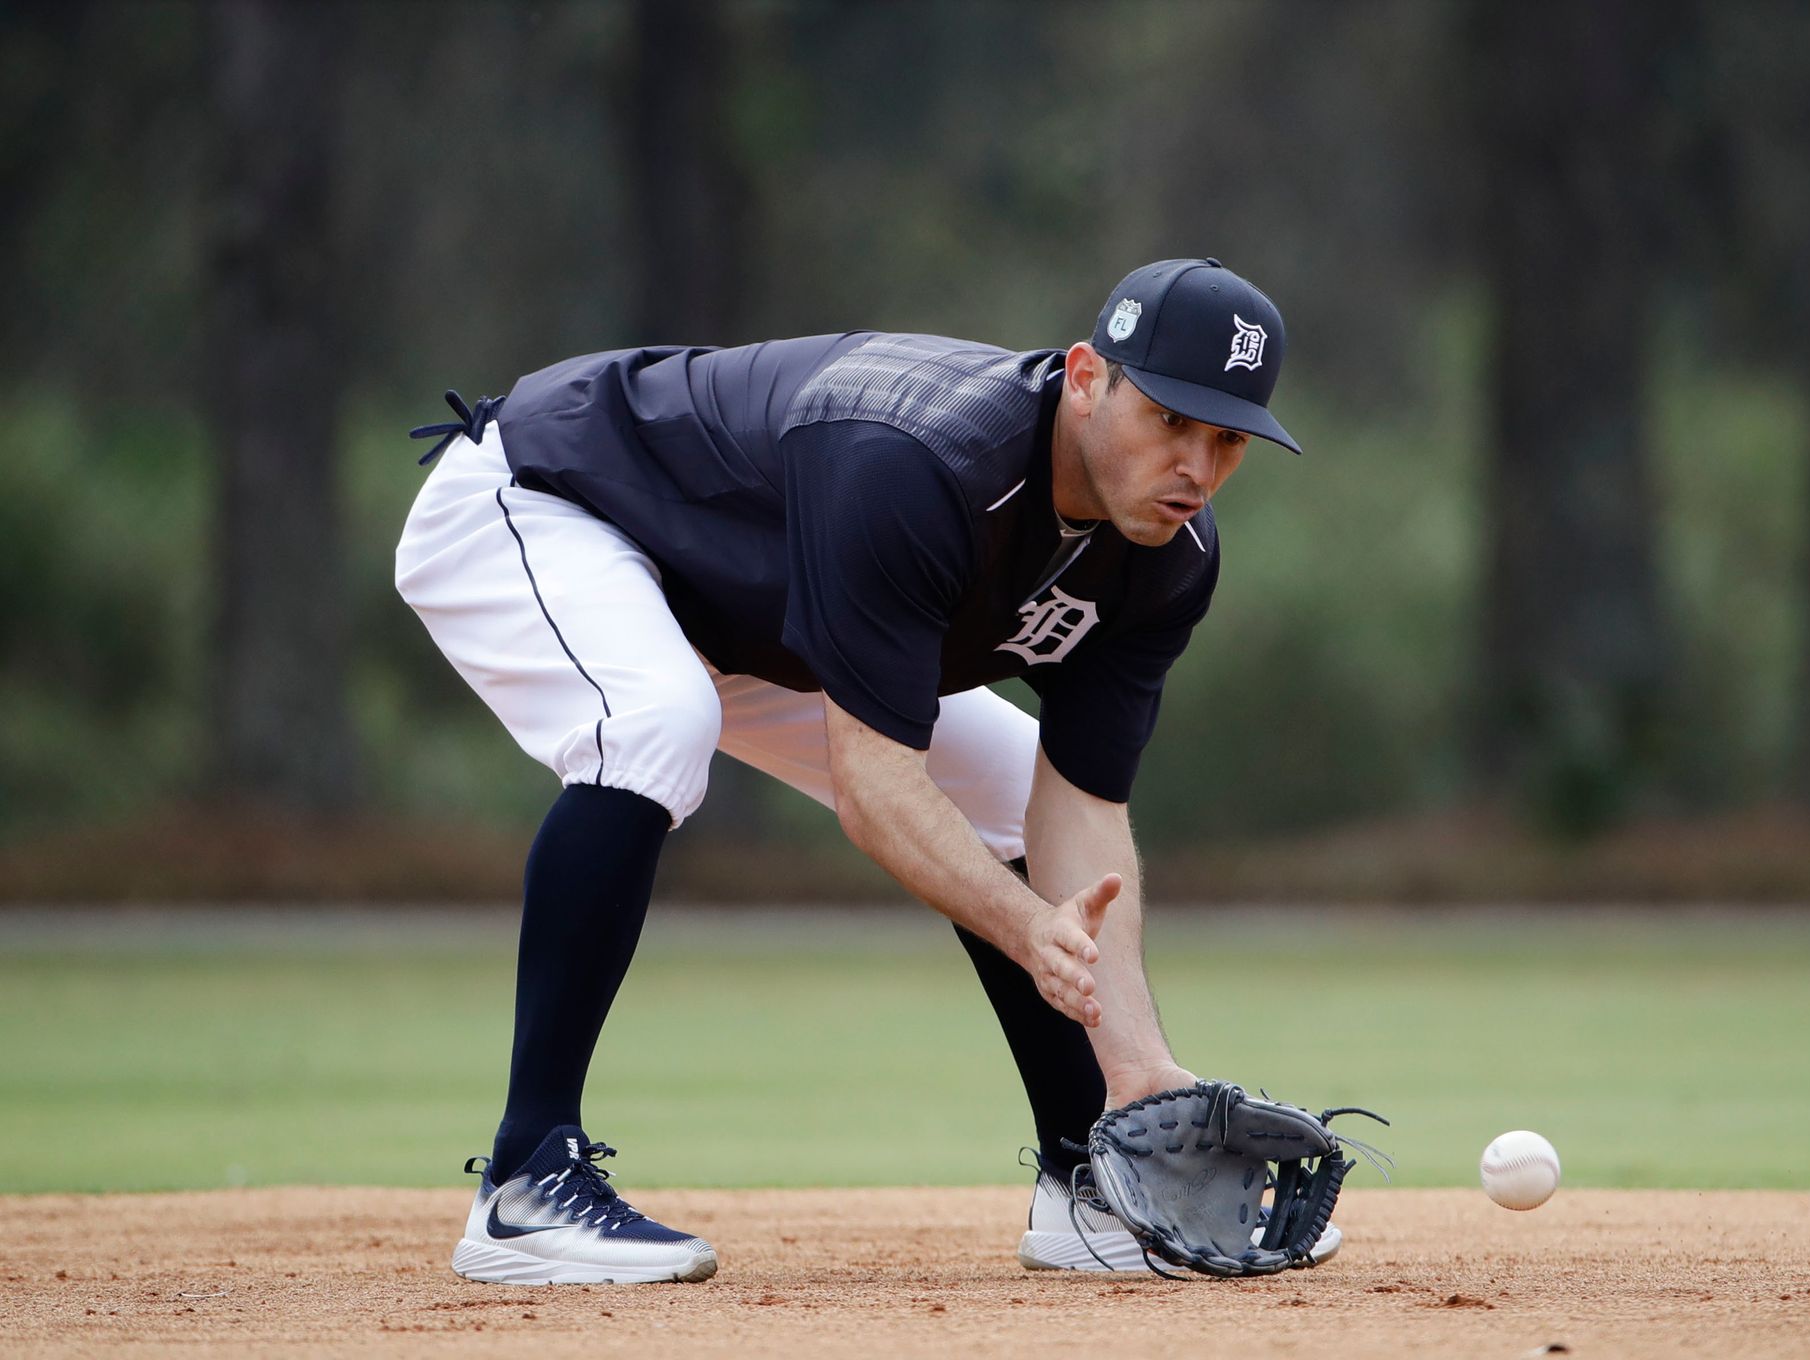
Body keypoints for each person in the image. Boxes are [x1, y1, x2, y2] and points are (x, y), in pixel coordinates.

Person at [394, 257, 1325, 1284]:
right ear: (1087, 379)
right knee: (654, 720)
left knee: (1011, 776)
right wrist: (1028, 929)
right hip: (547, 495)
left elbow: (1082, 806)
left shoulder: (1170, 556)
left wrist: (1139, 1076)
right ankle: (526, 1182)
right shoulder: (922, 465)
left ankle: (1090, 1177)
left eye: (1228, 437)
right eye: (1170, 418)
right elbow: (876, 791)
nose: (1195, 464)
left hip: (743, 618)